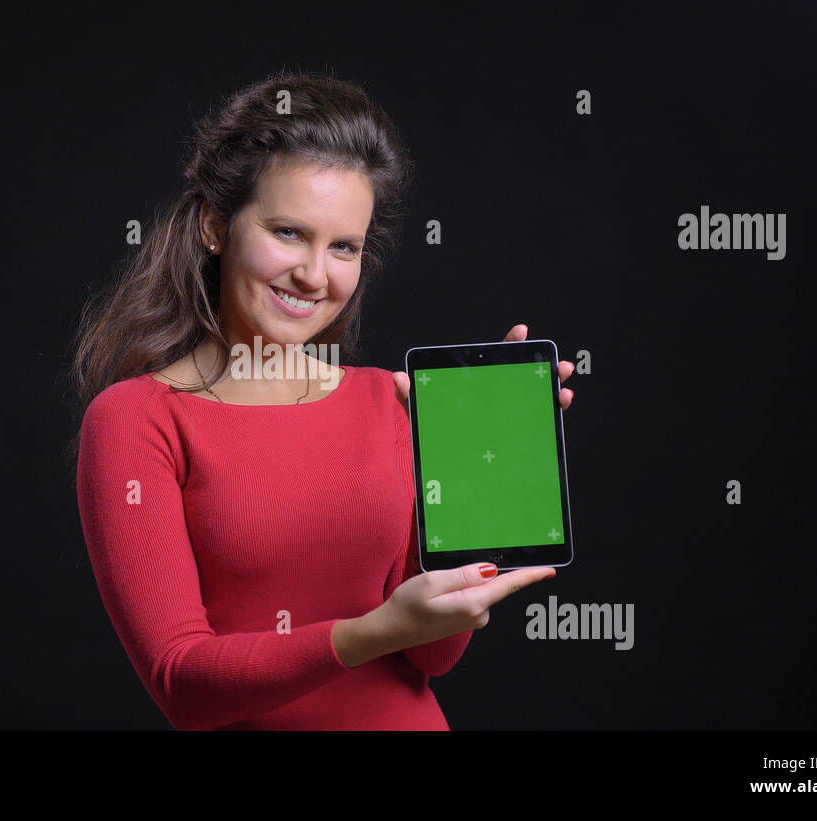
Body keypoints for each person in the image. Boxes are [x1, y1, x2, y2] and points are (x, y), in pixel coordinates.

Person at [67, 69, 575, 730]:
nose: (314, 275)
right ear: (215, 225)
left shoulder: (387, 400)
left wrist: (473, 489)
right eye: (288, 232)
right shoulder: (138, 419)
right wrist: (369, 631)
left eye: (343, 247)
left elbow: (431, 654)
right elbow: (182, 684)